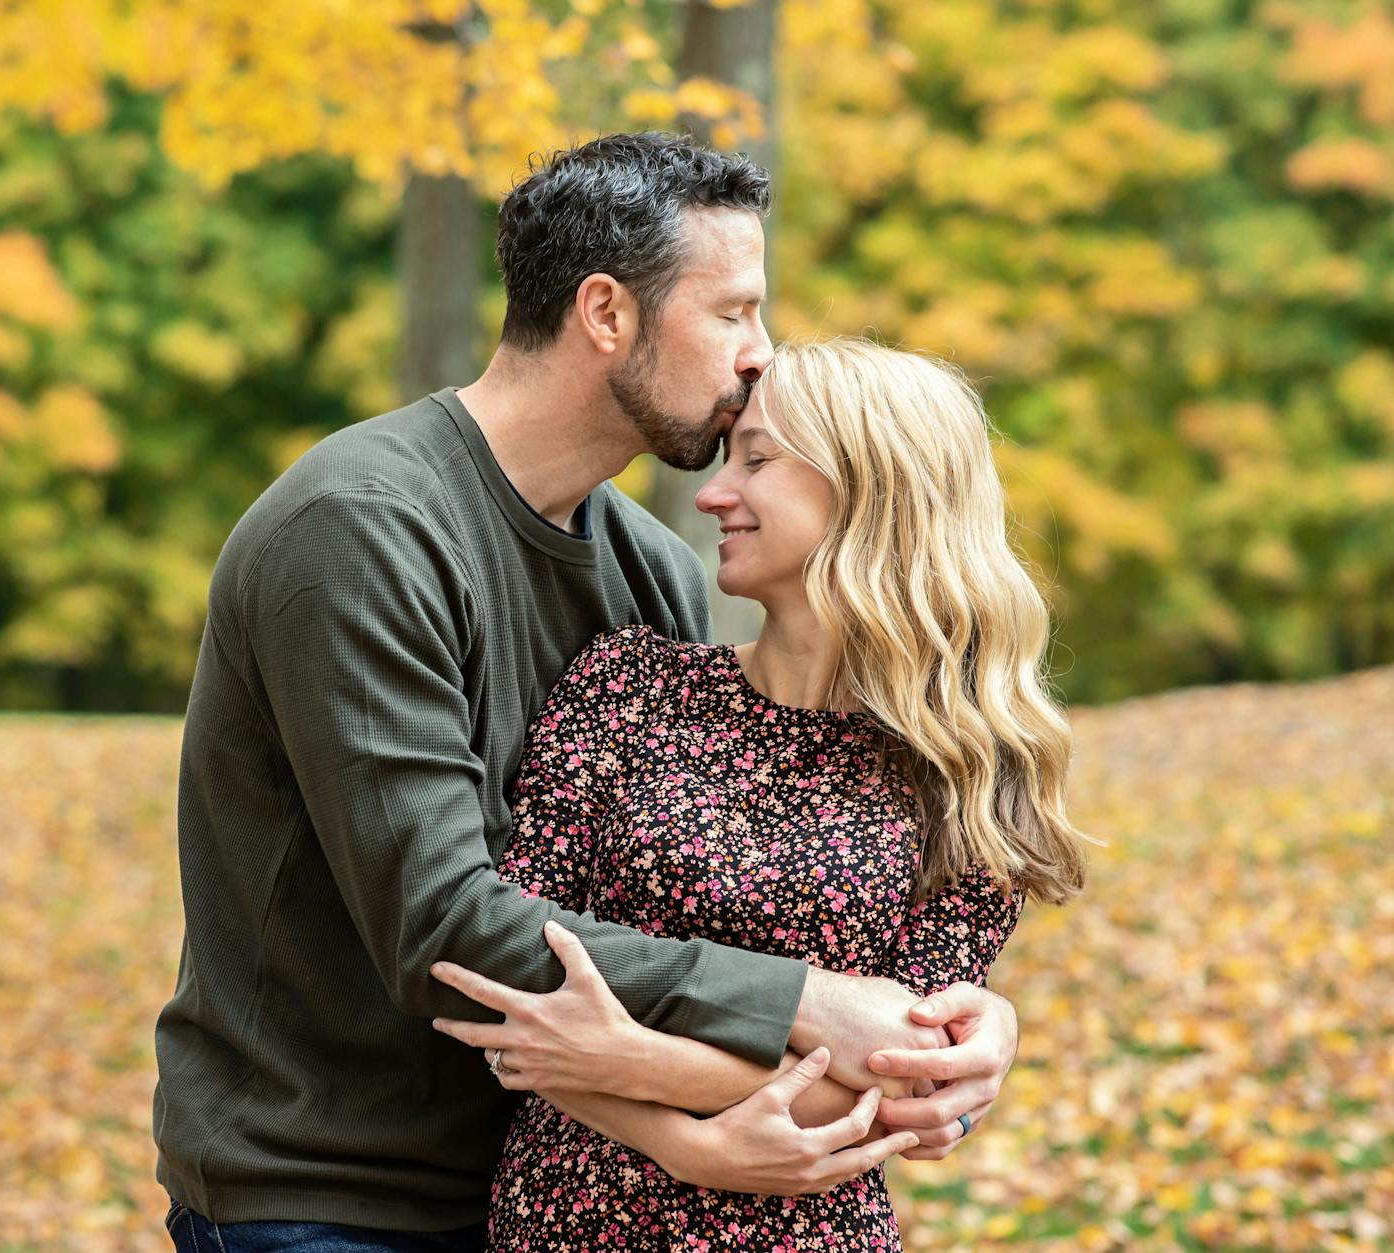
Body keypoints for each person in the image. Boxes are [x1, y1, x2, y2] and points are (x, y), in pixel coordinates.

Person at [153, 133, 1023, 1253]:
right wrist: (809, 1004)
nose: (758, 356)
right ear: (607, 312)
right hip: (330, 1188)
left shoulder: (651, 570)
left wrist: (955, 1024)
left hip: (562, 1184)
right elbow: (444, 929)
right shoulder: (360, 528)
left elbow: (672, 907)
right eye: (731, 313)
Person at [428, 339, 1092, 1249]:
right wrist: (683, 1136)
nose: (711, 492)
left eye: (758, 459)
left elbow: (901, 1080)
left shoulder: (963, 768)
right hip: (568, 1219)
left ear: (871, 487)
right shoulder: (627, 685)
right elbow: (516, 985)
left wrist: (631, 1057)